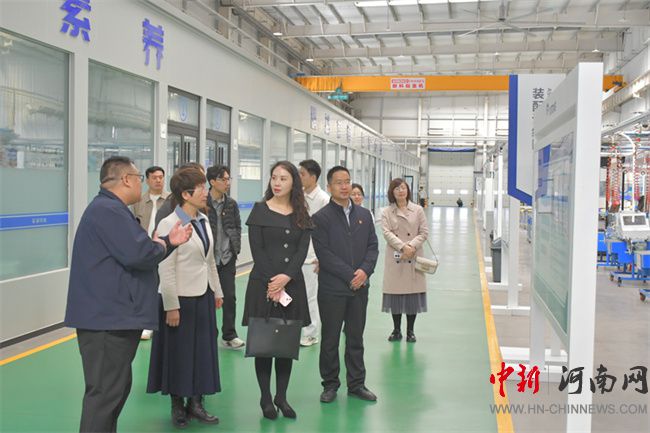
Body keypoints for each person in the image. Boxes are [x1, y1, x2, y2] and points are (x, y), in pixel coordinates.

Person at [64, 156, 192, 433]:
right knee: (105, 395)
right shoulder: (108, 211)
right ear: (125, 180)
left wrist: (166, 242)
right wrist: (165, 244)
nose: (141, 183)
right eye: (138, 178)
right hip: (107, 321)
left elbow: (138, 250)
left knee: (115, 390)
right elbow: (139, 253)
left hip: (113, 317)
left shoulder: (110, 210)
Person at [147, 168, 224, 428]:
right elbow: (165, 268)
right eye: (200, 188)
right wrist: (171, 306)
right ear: (185, 195)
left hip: (202, 295)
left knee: (202, 352)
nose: (205, 192)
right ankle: (178, 405)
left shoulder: (203, 219)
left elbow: (209, 260)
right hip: (179, 299)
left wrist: (217, 291)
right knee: (179, 354)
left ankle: (197, 403)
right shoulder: (169, 224)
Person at [242, 161, 312, 420]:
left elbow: (302, 250)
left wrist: (286, 277)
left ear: (294, 182)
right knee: (264, 343)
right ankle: (265, 397)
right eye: (274, 178)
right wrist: (273, 282)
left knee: (285, 343)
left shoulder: (301, 213)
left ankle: (281, 396)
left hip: (292, 285)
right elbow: (257, 249)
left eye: (283, 178)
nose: (277, 183)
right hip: (263, 285)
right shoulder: (260, 210)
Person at [312, 166, 379, 404]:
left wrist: (365, 271)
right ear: (329, 186)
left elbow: (373, 247)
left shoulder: (364, 215)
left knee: (355, 338)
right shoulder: (320, 218)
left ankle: (356, 384)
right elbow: (324, 254)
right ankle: (330, 384)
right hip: (333, 289)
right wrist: (352, 275)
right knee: (330, 339)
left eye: (347, 181)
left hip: (360, 289)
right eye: (338, 182)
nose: (344, 186)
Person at [381, 178, 429, 343]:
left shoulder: (417, 210)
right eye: (397, 188)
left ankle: (410, 331)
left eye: (403, 188)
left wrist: (411, 246)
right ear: (392, 192)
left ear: (408, 190)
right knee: (395, 294)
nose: (401, 191)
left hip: (413, 255)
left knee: (412, 295)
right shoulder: (387, 212)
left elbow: (424, 232)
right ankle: (396, 330)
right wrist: (403, 247)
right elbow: (386, 233)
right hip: (396, 256)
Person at [206, 165, 245, 349]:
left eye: (229, 179)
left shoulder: (231, 204)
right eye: (224, 179)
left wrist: (235, 247)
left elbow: (237, 226)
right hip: (207, 259)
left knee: (229, 297)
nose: (227, 183)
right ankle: (208, 335)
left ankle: (229, 335)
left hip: (227, 258)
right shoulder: (202, 202)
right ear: (212, 182)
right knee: (207, 299)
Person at [133, 165, 170, 340]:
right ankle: (147, 325)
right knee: (148, 288)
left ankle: (163, 322)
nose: (158, 180)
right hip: (145, 251)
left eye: (161, 177)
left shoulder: (171, 199)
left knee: (165, 287)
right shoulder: (138, 200)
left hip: (166, 249)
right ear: (147, 180)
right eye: (154, 177)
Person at [298, 159, 330, 347]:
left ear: (313, 176)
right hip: (298, 254)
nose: (299, 177)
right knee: (297, 295)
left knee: (310, 296)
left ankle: (311, 333)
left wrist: (321, 257)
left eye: (302, 174)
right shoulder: (299, 196)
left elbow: (327, 231)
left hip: (312, 257)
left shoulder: (323, 199)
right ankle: (299, 330)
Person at [155, 162, 205, 229]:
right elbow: (158, 233)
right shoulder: (167, 209)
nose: (205, 193)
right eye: (199, 185)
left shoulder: (200, 210)